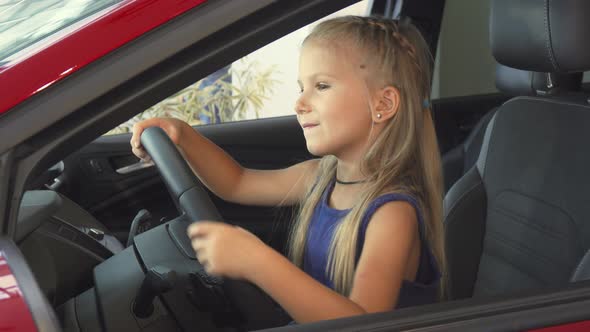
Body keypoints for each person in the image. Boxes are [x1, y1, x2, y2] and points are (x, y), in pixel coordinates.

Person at [130, 15, 445, 324]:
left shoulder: (393, 214)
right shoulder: (321, 177)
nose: (299, 103)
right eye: (301, 87)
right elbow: (237, 183)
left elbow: (362, 324)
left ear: (383, 104)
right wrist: (182, 135)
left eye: (321, 86)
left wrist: (257, 262)